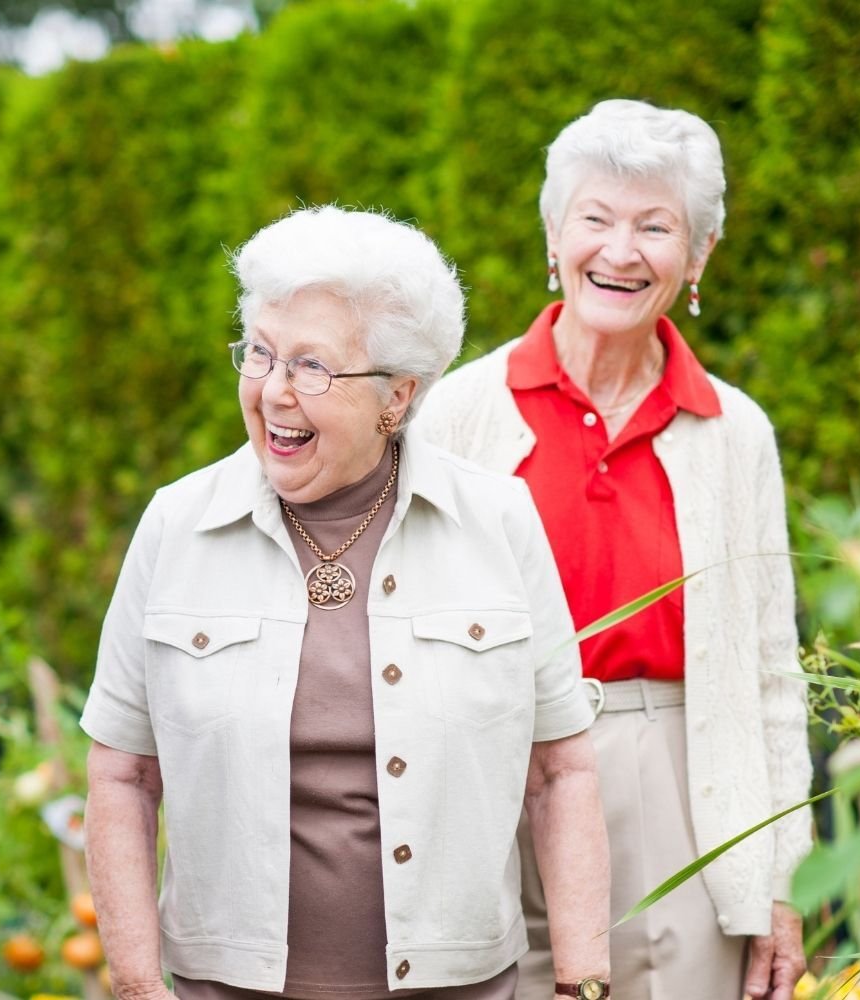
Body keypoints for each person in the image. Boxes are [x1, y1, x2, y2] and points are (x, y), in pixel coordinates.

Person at [82, 206, 613, 1000]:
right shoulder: (177, 524)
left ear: (397, 396)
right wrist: (135, 982)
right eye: (259, 353)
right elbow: (122, 774)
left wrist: (583, 982)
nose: (273, 392)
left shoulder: (496, 520)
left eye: (311, 367)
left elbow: (559, 772)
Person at [414, 99, 813, 1000]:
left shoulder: (734, 432)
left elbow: (771, 676)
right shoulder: (458, 414)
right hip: (494, 786)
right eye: (595, 218)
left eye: (655, 227)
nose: (620, 251)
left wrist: (782, 882)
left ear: (699, 254)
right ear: (554, 233)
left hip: (679, 795)